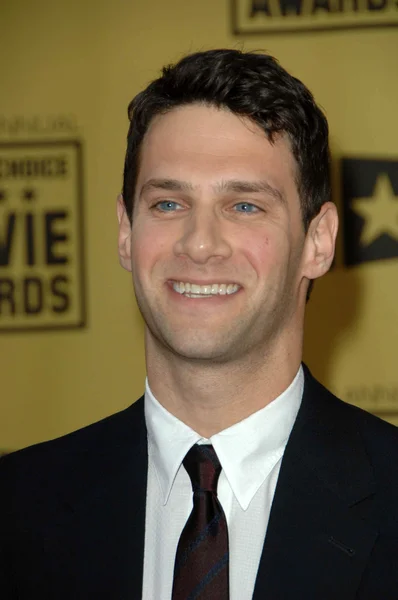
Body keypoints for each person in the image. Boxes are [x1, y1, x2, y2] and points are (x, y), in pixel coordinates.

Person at [1, 49, 397, 600]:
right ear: (125, 231)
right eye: (167, 204)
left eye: (244, 206)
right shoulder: (17, 508)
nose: (200, 243)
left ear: (318, 241)